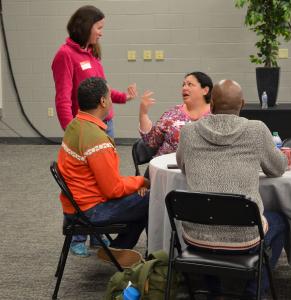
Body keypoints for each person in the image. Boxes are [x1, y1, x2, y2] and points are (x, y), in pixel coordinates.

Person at [176, 80, 288, 299]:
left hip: (196, 234)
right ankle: (253, 291)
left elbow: (183, 165)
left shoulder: (189, 132)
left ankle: (212, 291)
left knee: (208, 219)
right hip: (245, 235)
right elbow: (278, 168)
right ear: (243, 104)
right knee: (280, 220)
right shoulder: (256, 130)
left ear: (212, 102)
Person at [57, 77, 149, 258]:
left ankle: (117, 249)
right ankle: (125, 252)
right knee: (152, 198)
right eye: (110, 95)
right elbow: (113, 189)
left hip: (75, 206)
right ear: (103, 101)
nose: (111, 99)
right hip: (90, 211)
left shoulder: (75, 124)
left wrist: (135, 185)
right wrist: (142, 181)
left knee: (140, 198)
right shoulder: (97, 139)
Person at [52, 5, 137, 137]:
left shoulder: (91, 52)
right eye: (99, 28)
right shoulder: (65, 55)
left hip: (106, 124)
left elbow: (101, 88)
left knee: (108, 158)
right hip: (86, 127)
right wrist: (71, 132)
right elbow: (63, 98)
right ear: (86, 27)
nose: (101, 33)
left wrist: (124, 97)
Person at [139, 72, 213, 156]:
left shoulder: (216, 115)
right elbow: (151, 141)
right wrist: (143, 113)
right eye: (183, 85)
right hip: (166, 166)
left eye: (190, 84)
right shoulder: (172, 114)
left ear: (205, 90)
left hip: (205, 166)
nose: (184, 88)